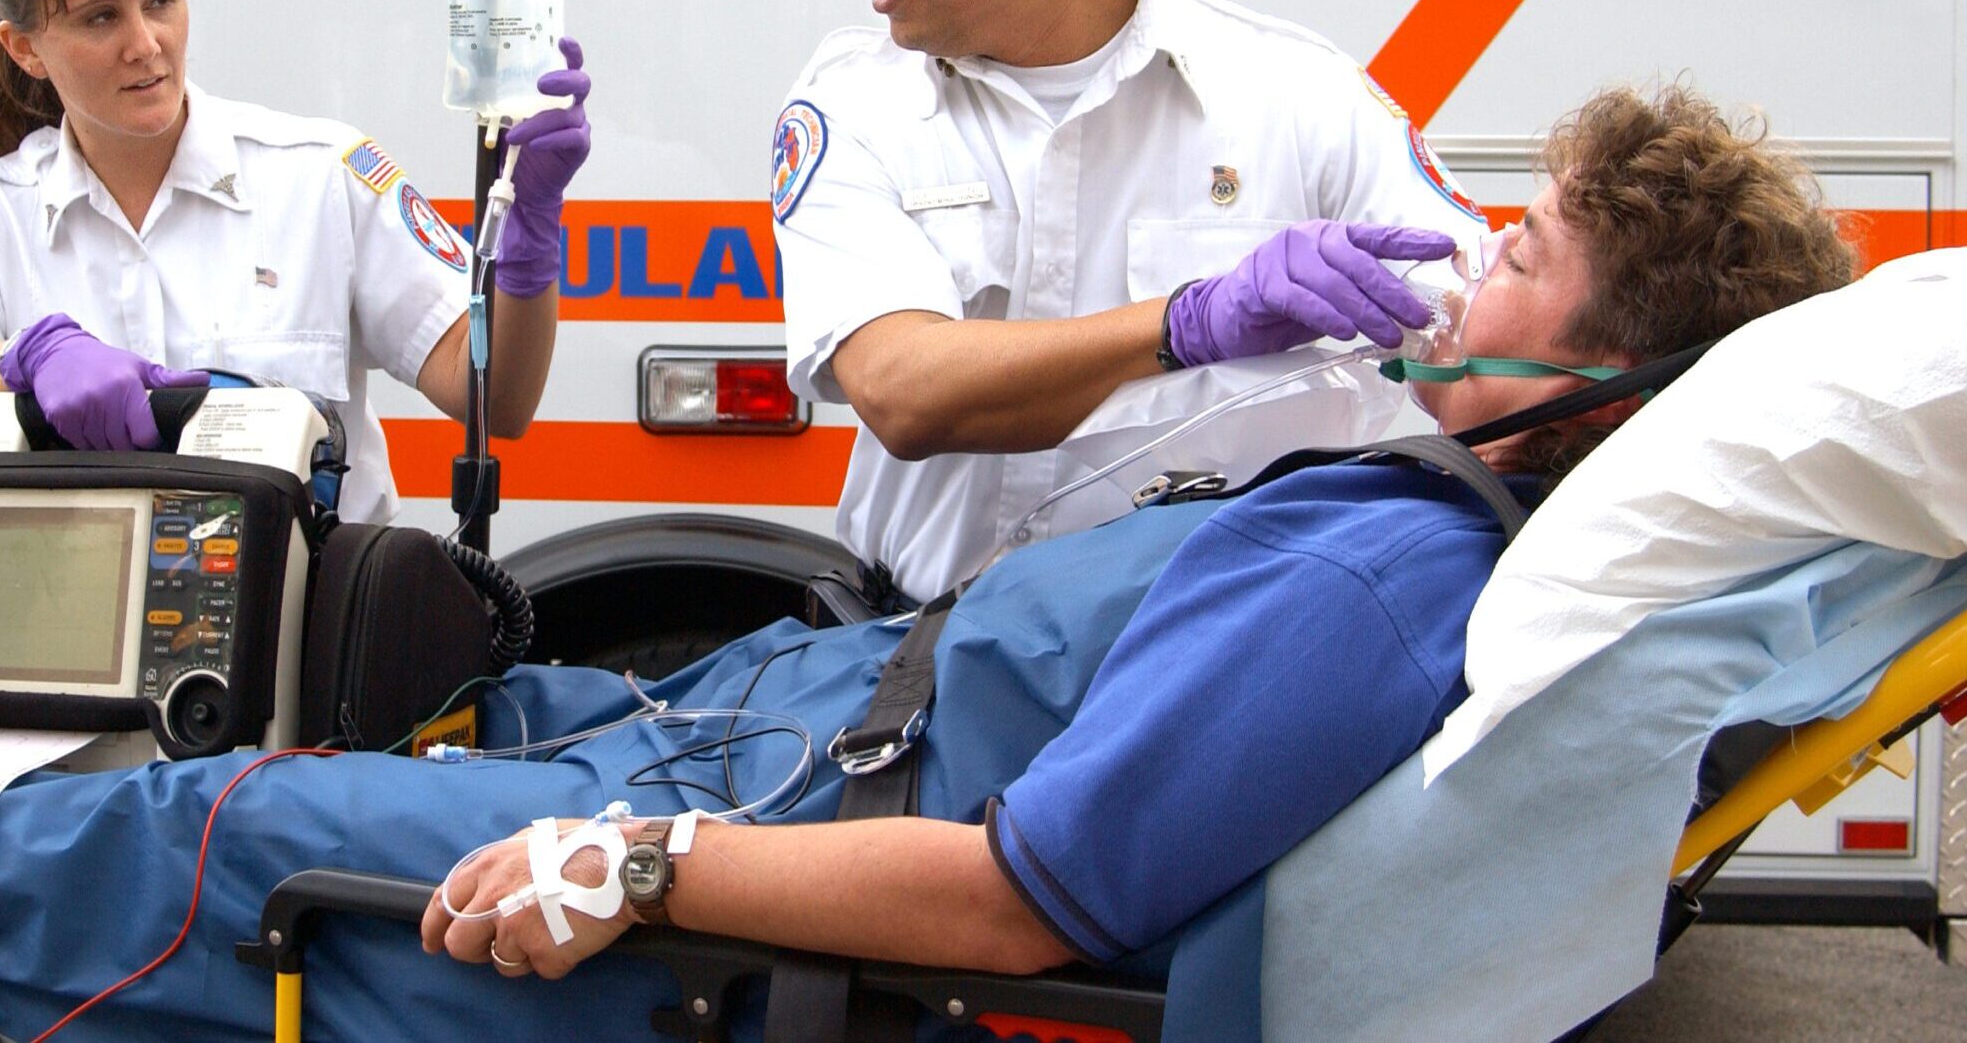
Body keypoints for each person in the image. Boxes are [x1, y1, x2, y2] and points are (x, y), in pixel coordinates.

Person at [432, 83, 1856, 981]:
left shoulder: (1378, 576)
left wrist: (643, 861)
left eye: (1520, 248)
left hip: (772, 798)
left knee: (224, 818)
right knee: (409, 675)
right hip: (759, 722)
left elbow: (1025, 903)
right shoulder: (1404, 511)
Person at [776, 0, 1492, 603]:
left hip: (1216, 674)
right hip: (928, 678)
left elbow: (1484, 336)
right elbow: (904, 390)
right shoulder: (853, 105)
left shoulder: (1299, 97)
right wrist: (1188, 323)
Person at [0, 0, 591, 523]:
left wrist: (529, 243)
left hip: (307, 637)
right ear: (25, 47)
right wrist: (24, 358)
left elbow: (499, 400)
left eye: (161, 0)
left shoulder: (323, 175)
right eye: (100, 17)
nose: (146, 43)